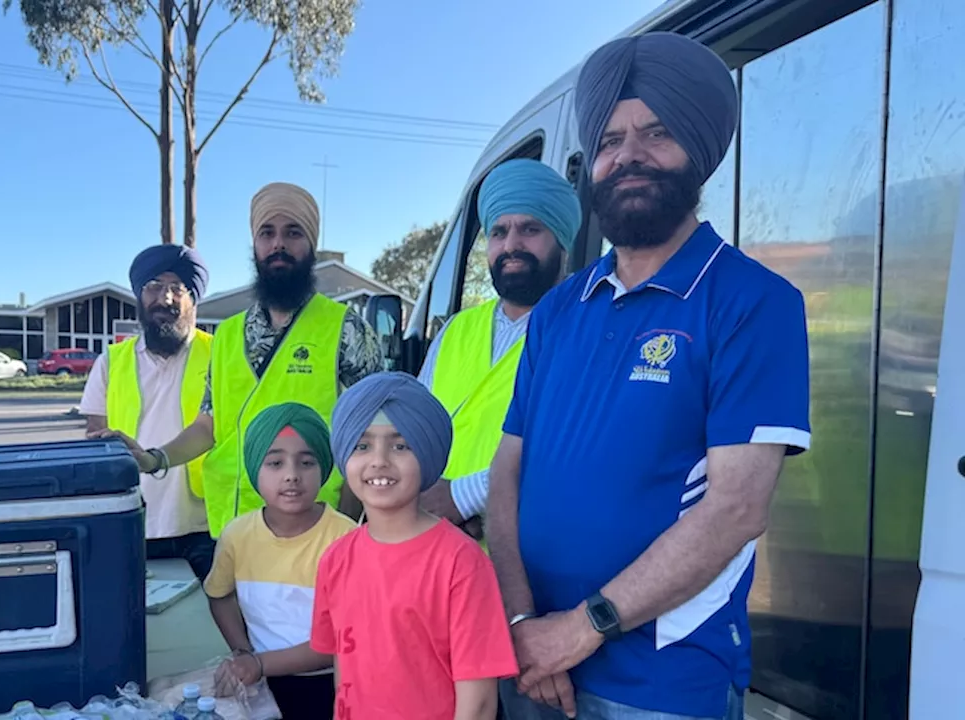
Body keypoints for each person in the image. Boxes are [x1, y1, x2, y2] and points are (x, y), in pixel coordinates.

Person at [487, 32, 811, 720]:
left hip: (663, 686)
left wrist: (576, 632)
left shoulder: (754, 302)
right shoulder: (556, 312)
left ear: (697, 150)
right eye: (608, 140)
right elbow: (507, 472)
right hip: (531, 663)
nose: (627, 154)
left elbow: (735, 509)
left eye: (655, 133)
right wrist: (522, 627)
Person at [110, 182, 382, 539]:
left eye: (292, 233)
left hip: (315, 534)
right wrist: (155, 459)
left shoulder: (346, 329)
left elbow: (372, 438)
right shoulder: (228, 335)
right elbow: (207, 428)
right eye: (267, 233)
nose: (278, 245)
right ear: (254, 245)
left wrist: (347, 529)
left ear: (311, 244)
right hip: (233, 533)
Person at [311, 372, 518, 720]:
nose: (379, 460)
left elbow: (479, 703)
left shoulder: (461, 563)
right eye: (362, 446)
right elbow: (344, 668)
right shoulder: (336, 559)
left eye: (400, 445)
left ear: (426, 452)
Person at [417, 158, 582, 532]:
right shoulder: (457, 330)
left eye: (530, 229)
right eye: (498, 232)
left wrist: (462, 498)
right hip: (442, 558)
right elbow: (414, 432)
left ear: (561, 239)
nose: (511, 245)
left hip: (533, 563)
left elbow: (573, 448)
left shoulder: (586, 328)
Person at [203, 402, 355, 720]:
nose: (291, 476)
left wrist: (258, 663)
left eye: (306, 462)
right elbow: (220, 595)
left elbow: (344, 639)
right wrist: (242, 650)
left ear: (325, 468)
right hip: (261, 684)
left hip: (334, 686)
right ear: (254, 467)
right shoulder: (237, 535)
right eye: (275, 463)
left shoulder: (346, 539)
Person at [82, 245, 216, 580]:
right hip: (132, 520)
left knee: (211, 627)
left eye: (177, 288)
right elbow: (95, 434)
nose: (165, 298)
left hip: (208, 525)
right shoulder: (111, 362)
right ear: (139, 296)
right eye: (154, 287)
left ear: (193, 299)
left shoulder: (221, 355)